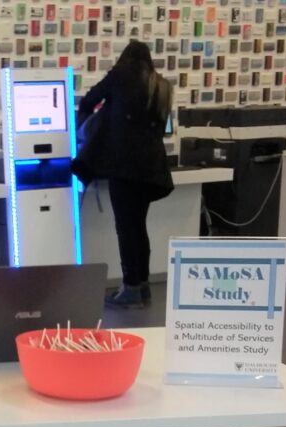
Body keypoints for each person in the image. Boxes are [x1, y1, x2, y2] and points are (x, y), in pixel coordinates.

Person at [74, 40, 174, 308]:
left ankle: (130, 288)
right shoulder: (162, 85)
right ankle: (142, 286)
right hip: (151, 169)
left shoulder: (120, 75)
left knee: (125, 228)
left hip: (124, 167)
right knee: (138, 228)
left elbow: (89, 100)